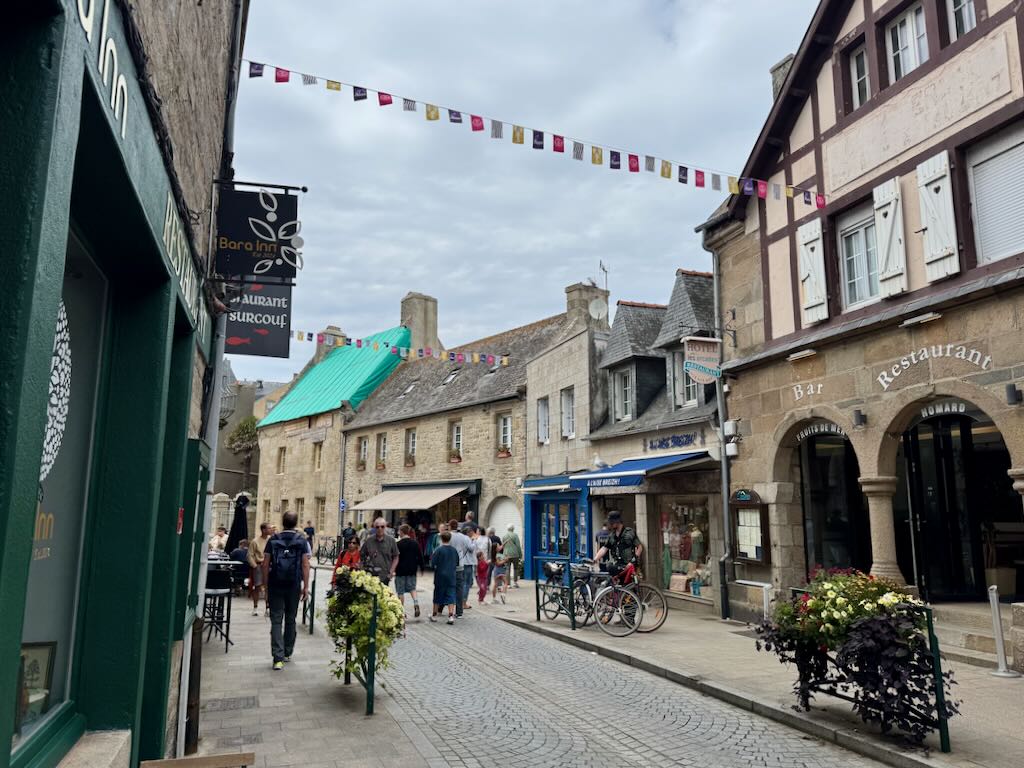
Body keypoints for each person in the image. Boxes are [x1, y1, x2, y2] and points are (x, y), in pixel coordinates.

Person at [262, 511, 311, 670]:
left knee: (276, 620)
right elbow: (305, 564)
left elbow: (265, 564)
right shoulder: (301, 541)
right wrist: (306, 586)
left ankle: (277, 657)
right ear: (296, 523)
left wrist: (265, 585)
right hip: (293, 584)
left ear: (282, 522)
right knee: (290, 619)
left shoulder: (273, 540)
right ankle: (288, 652)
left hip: (276, 583)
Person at [592, 511, 643, 578]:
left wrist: (632, 561)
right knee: (610, 569)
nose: (610, 524)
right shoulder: (612, 536)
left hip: (629, 566)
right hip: (618, 565)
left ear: (617, 522)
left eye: (611, 523)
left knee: (629, 586)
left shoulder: (629, 532)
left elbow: (639, 547)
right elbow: (604, 548)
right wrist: (595, 559)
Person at [429, 530, 459, 624]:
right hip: (451, 576)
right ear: (450, 539)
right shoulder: (454, 550)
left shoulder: (438, 550)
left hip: (440, 576)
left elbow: (432, 563)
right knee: (451, 595)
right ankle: (451, 616)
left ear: (441, 538)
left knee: (438, 594)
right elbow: (457, 563)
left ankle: (434, 615)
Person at [448, 519, 475, 617]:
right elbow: (468, 548)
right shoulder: (463, 537)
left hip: (449, 565)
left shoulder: (447, 536)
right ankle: (459, 612)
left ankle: (442, 608)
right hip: (460, 564)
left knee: (448, 587)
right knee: (459, 588)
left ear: (450, 527)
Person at [361, 517, 399, 586]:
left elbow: (396, 557)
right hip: (371, 576)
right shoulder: (369, 540)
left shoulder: (391, 540)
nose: (380, 529)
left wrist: (391, 573)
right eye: (377, 527)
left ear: (385, 527)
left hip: (385, 575)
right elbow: (362, 555)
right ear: (374, 528)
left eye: (382, 527)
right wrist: (364, 569)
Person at [395, 524, 423, 618]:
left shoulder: (398, 544)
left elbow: (394, 557)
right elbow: (420, 556)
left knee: (400, 591)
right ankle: (416, 603)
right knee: (412, 588)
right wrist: (422, 568)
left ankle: (402, 611)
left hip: (400, 570)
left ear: (402, 532)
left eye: (399, 531)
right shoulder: (415, 543)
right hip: (412, 570)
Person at [248, 523, 272, 616]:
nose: (270, 530)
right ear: (263, 530)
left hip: (269, 566)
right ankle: (255, 607)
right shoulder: (255, 541)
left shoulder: (271, 541)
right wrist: (254, 566)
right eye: (269, 528)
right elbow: (250, 555)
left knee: (268, 587)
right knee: (257, 587)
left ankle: (268, 608)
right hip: (259, 565)